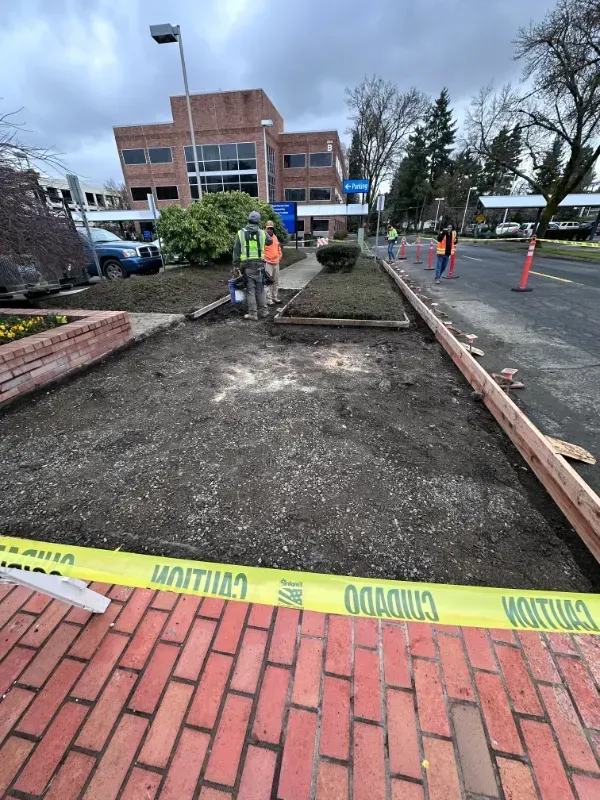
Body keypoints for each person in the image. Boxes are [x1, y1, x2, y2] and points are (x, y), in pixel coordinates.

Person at [232, 211, 273, 320]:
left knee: (250, 290)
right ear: (258, 222)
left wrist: (235, 266)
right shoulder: (262, 233)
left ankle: (253, 314)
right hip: (260, 265)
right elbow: (270, 241)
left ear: (248, 220)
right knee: (260, 289)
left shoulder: (241, 233)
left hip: (247, 266)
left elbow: (236, 251)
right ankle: (264, 311)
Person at [263, 220, 283, 305]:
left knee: (276, 281)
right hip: (267, 262)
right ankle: (268, 299)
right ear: (265, 228)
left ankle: (275, 297)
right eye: (268, 228)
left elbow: (278, 248)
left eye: (271, 228)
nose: (270, 230)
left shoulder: (275, 237)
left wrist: (279, 255)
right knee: (267, 282)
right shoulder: (263, 237)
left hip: (276, 262)